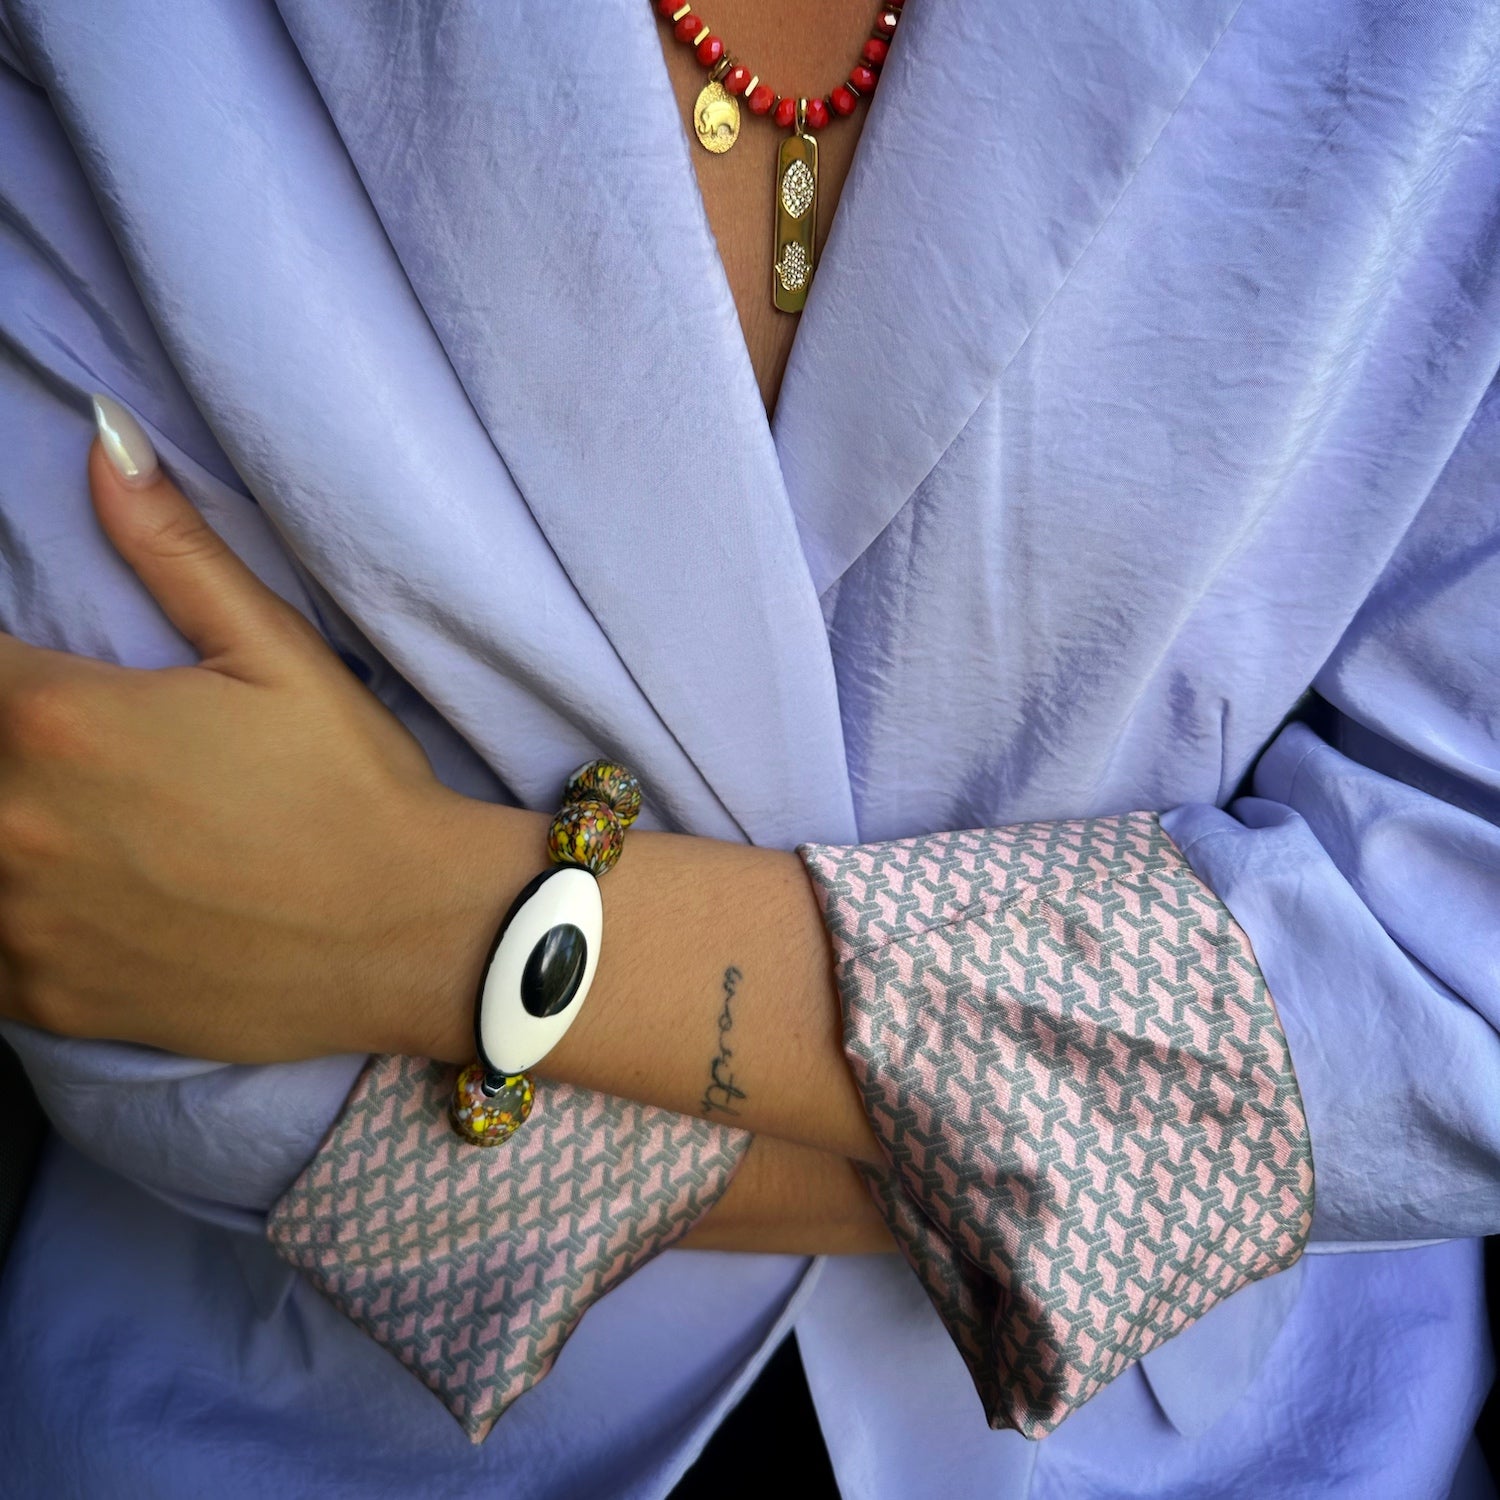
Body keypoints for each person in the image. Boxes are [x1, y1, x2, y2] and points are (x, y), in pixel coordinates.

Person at [0, 1, 1496, 1496]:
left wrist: (408, 920)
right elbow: (107, 944)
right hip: (304, 1431)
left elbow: (1462, 978)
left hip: (1223, 1454)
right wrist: (1188, 1130)